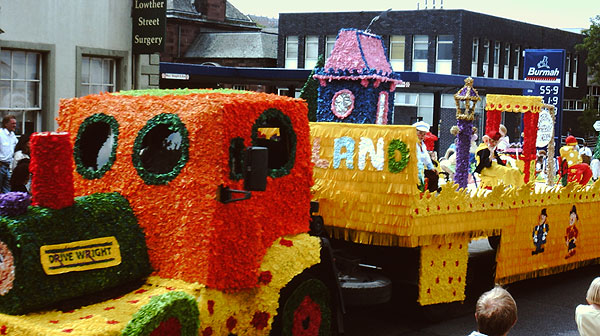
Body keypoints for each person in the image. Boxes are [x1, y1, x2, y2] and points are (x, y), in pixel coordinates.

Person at [413, 121, 439, 192]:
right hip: (413, 170)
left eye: (424, 134)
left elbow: (426, 157)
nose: (422, 136)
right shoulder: (412, 143)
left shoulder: (422, 145)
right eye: (420, 133)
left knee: (434, 175)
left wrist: (431, 167)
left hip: (420, 169)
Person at [0, 115, 18, 193]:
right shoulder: (0, 134)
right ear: (6, 124)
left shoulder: (13, 136)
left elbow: (18, 147)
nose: (15, 125)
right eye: (12, 123)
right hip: (0, 165)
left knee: (7, 192)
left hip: (7, 167)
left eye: (15, 123)